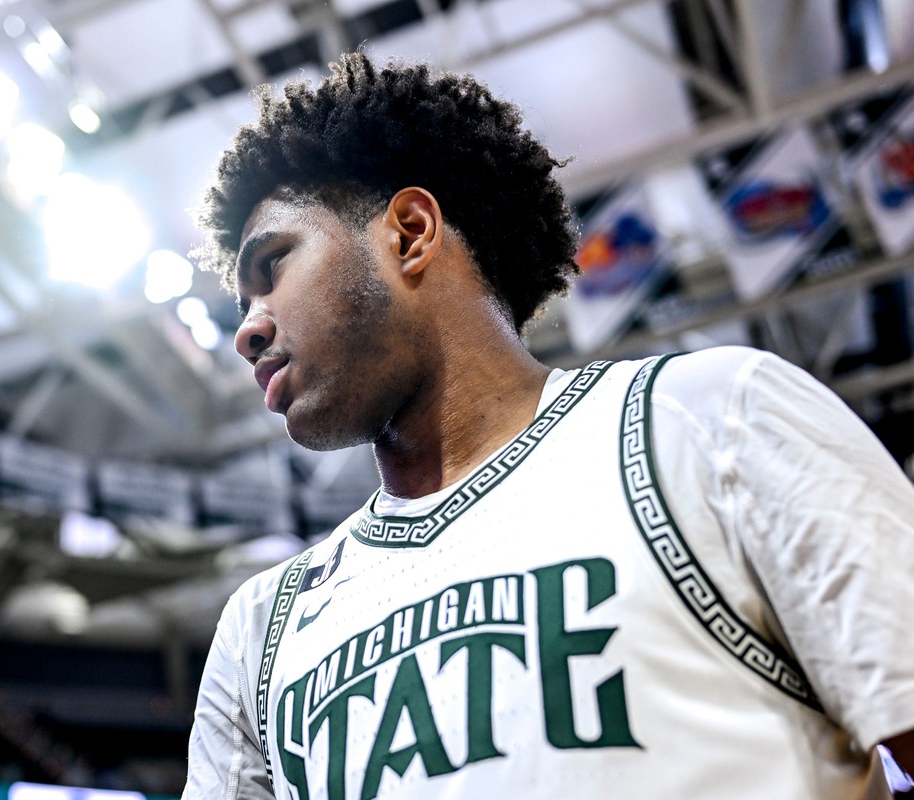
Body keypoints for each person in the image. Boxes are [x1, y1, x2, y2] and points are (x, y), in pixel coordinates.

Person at [181, 52, 914, 800]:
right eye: (242, 305)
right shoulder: (261, 632)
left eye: (273, 265)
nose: (249, 328)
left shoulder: (710, 420)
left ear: (408, 232)